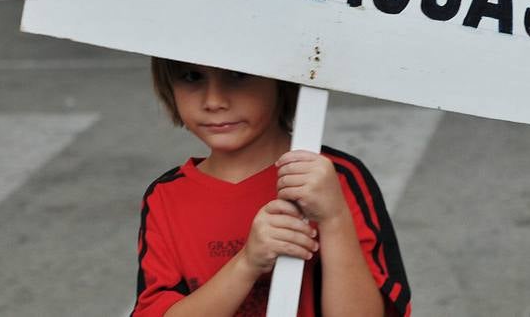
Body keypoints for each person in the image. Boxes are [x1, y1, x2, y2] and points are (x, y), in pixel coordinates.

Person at [133, 59, 411, 314]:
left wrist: (334, 218)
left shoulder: (334, 179)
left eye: (238, 75)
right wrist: (247, 264)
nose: (214, 101)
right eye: (192, 77)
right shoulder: (166, 196)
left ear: (281, 81)